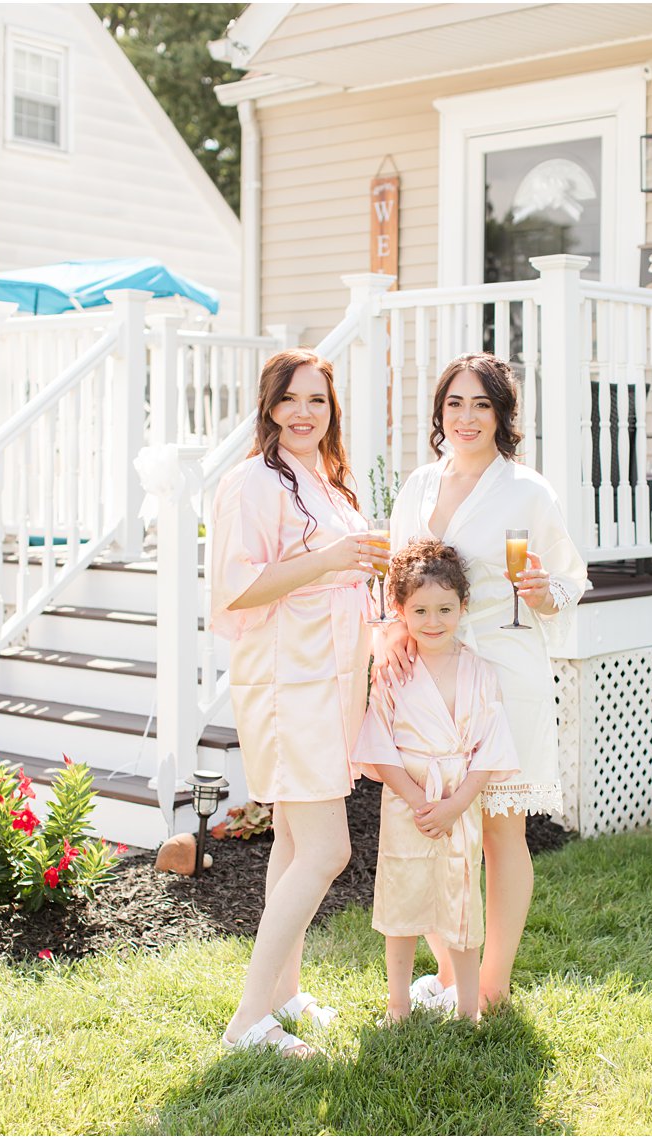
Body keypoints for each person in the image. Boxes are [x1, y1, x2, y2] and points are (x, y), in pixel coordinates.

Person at [378, 352, 590, 1011]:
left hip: (502, 669)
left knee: (501, 830)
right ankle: (448, 974)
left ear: (502, 415)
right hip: (424, 678)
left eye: (481, 405)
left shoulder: (528, 490)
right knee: (435, 824)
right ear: (440, 413)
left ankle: (491, 986)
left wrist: (545, 593)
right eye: (454, 404)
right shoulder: (416, 486)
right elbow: (395, 577)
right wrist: (388, 646)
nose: (466, 417)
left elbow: (569, 579)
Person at [210, 348, 387, 1057]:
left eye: (318, 400)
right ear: (269, 404)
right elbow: (237, 586)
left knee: (290, 840)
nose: (304, 412)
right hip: (290, 685)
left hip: (331, 681)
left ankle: (283, 996)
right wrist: (331, 560)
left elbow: (346, 567)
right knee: (326, 849)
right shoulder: (251, 482)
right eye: (292, 398)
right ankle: (248, 1019)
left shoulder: (324, 479)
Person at [354, 539, 519, 1024]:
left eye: (445, 609)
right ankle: (398, 1004)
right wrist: (415, 801)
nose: (432, 621)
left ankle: (468, 1009)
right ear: (399, 611)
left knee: (462, 903)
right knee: (402, 900)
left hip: (458, 803)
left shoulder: (478, 672)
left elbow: (491, 748)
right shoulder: (393, 673)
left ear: (463, 608)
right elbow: (378, 745)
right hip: (408, 802)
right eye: (420, 610)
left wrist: (456, 803)